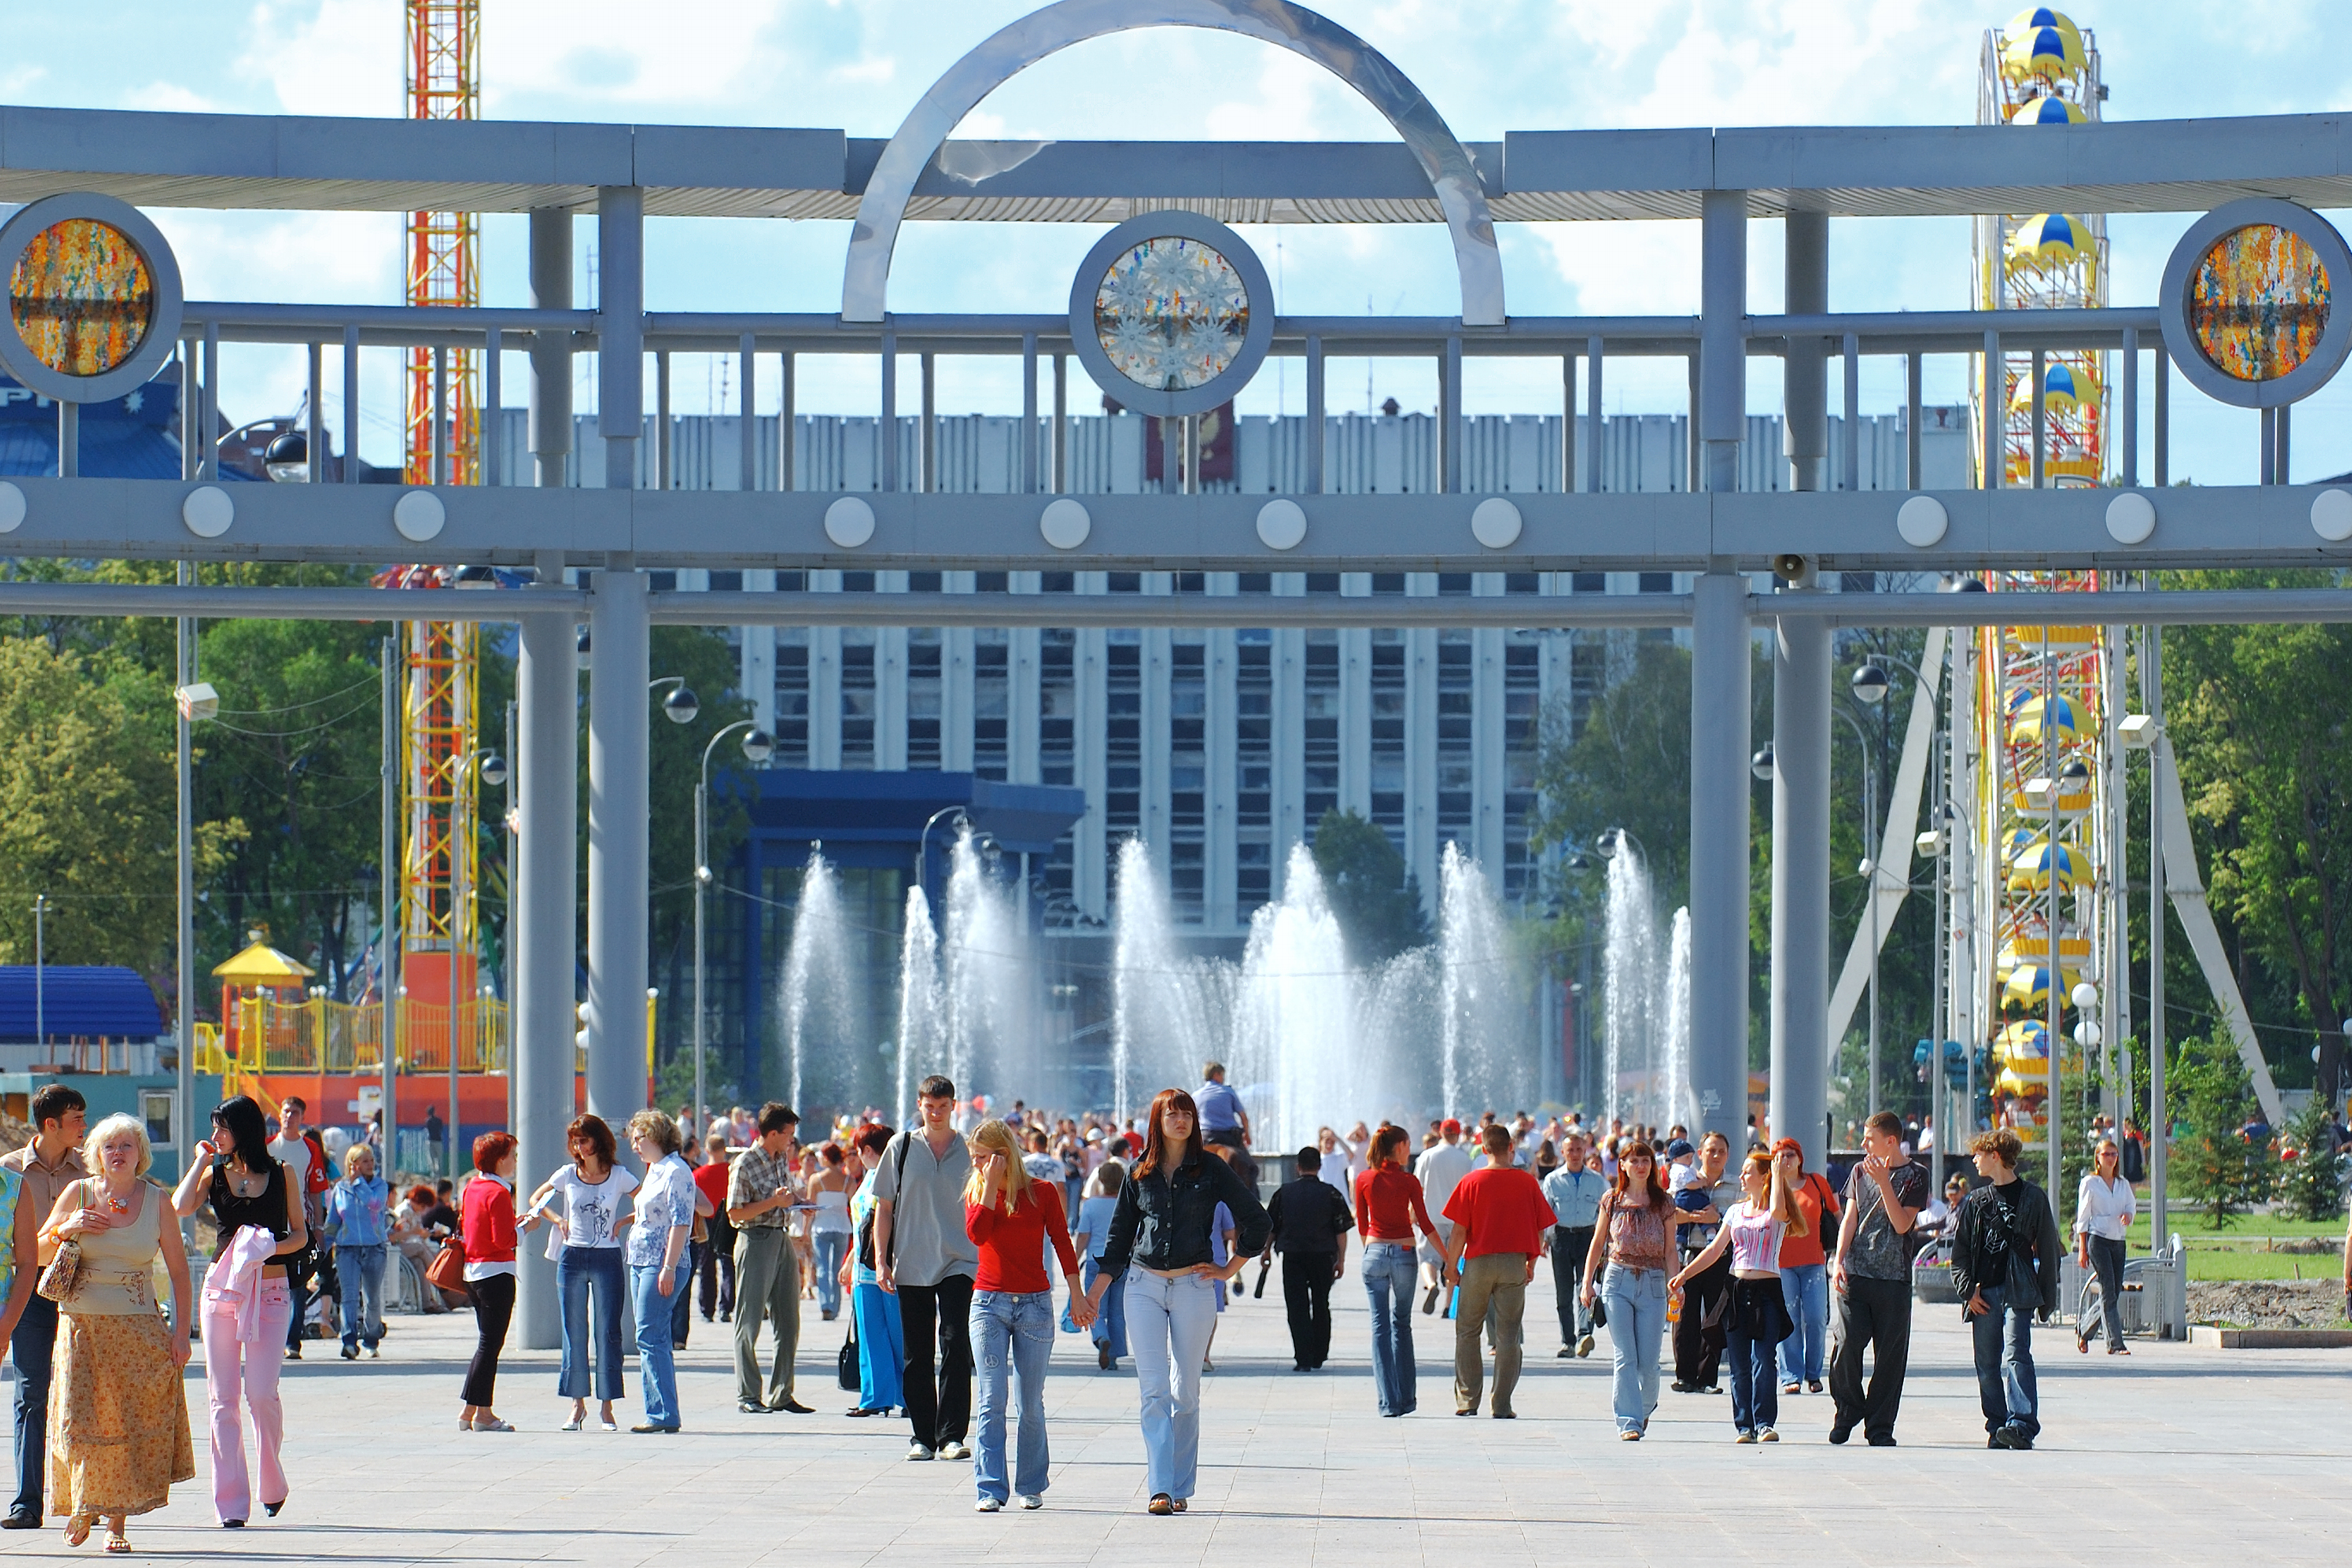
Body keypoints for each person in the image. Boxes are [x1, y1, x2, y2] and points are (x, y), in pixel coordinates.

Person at [1085, 1089, 1266, 1516]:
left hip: (1193, 1287)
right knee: (1153, 1391)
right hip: (1143, 1286)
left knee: (1186, 1391)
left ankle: (1181, 1484)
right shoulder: (1138, 1172)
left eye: (1186, 1114)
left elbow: (1257, 1220)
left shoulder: (1212, 1169)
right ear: (1158, 1120)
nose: (1180, 1121)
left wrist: (1228, 1270)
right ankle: (1161, 1487)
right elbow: (1117, 1241)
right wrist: (1093, 1295)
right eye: (1172, 1114)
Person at [38, 1114, 194, 1551]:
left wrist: (181, 1336)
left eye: (127, 1146)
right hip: (80, 1328)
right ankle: (84, 1504)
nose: (119, 1154)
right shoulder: (78, 1193)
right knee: (77, 1420)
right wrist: (67, 1229)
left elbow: (181, 1275)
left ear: (140, 1153)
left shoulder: (157, 1201)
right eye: (110, 1147)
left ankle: (117, 1525)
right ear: (97, 1155)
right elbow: (36, 1246)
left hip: (138, 1331)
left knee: (126, 1423)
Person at [170, 1095, 303, 1523]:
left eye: (222, 1129)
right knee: (221, 1398)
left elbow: (302, 1235)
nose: (215, 1136)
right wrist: (199, 1162)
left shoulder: (284, 1174)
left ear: (242, 1130)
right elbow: (180, 1206)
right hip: (221, 1290)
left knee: (261, 1394)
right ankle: (230, 1504)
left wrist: (266, 1249)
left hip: (270, 1288)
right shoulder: (215, 1174)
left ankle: (272, 1481)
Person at [962, 1119, 1092, 1512]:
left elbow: (1062, 1243)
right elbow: (977, 1235)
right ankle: (989, 1488)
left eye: (982, 1158)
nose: (977, 1165)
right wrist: (987, 1188)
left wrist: (1077, 1295)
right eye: (974, 1159)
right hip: (988, 1304)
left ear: (1004, 1154)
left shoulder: (1042, 1192)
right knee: (991, 1399)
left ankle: (1031, 1484)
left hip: (1035, 1304)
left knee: (1030, 1403)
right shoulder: (975, 1191)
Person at [875, 1076, 982, 1462]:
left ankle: (952, 1434)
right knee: (916, 1353)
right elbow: (884, 1208)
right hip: (912, 1260)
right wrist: (882, 1260)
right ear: (919, 1105)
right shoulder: (900, 1147)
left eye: (943, 1106)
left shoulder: (971, 1150)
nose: (935, 1113)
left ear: (954, 1106)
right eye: (929, 1106)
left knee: (956, 1345)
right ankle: (922, 1435)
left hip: (961, 1260)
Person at [1673, 1149, 1806, 1443]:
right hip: (1736, 1288)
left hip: (1768, 1291)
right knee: (1739, 1363)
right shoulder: (1735, 1211)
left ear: (1764, 1177)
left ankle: (1765, 1423)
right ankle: (1744, 1425)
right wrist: (1685, 1275)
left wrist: (1779, 1175)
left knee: (1764, 1359)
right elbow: (1714, 1250)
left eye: (1748, 1171)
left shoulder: (1776, 1210)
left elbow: (1779, 1212)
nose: (1742, 1176)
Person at [2, 1084, 86, 1530]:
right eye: (77, 1118)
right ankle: (26, 1502)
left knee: (84, 1393)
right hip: (30, 1291)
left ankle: (88, 1499)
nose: (85, 1127)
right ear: (51, 1124)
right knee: (32, 1392)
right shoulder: (8, 1174)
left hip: (83, 1289)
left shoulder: (91, 1172)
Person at [521, 1114, 636, 1433]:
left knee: (608, 1331)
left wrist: (622, 1222)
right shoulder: (567, 1174)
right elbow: (535, 1198)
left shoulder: (620, 1175)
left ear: (598, 1140)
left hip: (607, 1256)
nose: (578, 1146)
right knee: (574, 1330)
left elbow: (647, 1203)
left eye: (583, 1140)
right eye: (575, 1141)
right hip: (572, 1255)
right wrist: (557, 1219)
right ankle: (577, 1405)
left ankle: (607, 1406)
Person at [1952, 1128, 2061, 1450]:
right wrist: (1967, 1290)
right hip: (1983, 1293)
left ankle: (2022, 1425)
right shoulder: (1976, 1201)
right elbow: (1960, 1253)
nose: (1974, 1159)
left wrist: (2047, 1299)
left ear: (1995, 1156)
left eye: (1979, 1154)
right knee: (1986, 1363)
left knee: (2017, 1355)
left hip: (2019, 1291)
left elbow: (2049, 1251)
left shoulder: (2034, 1198)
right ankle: (1997, 1426)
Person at [1440, 1124, 1556, 1420]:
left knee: (1468, 1330)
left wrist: (1452, 1268)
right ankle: (1502, 1404)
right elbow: (1542, 1227)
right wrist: (1531, 1263)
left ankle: (1468, 1400)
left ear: (1484, 1149)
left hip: (1478, 1262)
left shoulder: (1472, 1181)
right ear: (1511, 1149)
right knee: (1508, 1335)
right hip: (1513, 1263)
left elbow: (1459, 1232)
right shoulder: (1528, 1183)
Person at [1828, 1109, 1930, 1446]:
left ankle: (1880, 1426)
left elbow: (1903, 1225)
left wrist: (1886, 1183)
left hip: (1894, 1278)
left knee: (1890, 1357)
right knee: (1846, 1344)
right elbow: (1850, 1218)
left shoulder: (1916, 1175)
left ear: (1890, 1141)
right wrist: (1839, 1259)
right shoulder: (1859, 1171)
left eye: (1869, 1139)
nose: (1863, 1144)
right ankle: (1848, 1410)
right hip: (1857, 1272)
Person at [1581, 1140, 1676, 1440]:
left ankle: (1644, 1408)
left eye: (1645, 1160)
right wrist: (1587, 1283)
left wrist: (1676, 1283)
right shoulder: (1612, 1200)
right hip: (1617, 1280)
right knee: (1625, 1356)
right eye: (1633, 1160)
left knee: (1649, 1364)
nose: (1640, 1166)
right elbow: (1598, 1243)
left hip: (1654, 1282)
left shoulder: (1664, 1203)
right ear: (1622, 1164)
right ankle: (1629, 1422)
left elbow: (1671, 1249)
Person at [725, 1102, 813, 1417]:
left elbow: (781, 1197)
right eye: (788, 1134)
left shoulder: (781, 1157)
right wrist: (774, 1201)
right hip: (755, 1239)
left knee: (789, 1320)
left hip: (780, 1236)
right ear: (772, 1133)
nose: (792, 1140)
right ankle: (748, 1394)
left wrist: (797, 1202)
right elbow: (735, 1214)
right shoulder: (744, 1164)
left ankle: (781, 1393)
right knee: (748, 1321)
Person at [1352, 1123, 1443, 1416]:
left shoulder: (1364, 1178)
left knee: (1379, 1328)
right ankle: (1407, 1399)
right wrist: (1448, 1260)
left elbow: (1363, 1225)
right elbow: (1426, 1225)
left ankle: (1387, 1403)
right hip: (1404, 1253)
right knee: (1401, 1325)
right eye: (1408, 1145)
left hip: (1375, 1253)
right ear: (1400, 1147)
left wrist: (1374, 1248)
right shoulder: (1409, 1182)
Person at [624, 1110, 696, 1434]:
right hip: (642, 1260)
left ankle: (662, 1413)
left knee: (649, 1334)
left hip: (661, 1262)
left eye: (638, 1139)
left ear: (655, 1136)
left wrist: (669, 1265)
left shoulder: (676, 1171)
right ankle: (661, 1409)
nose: (635, 1146)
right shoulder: (655, 1170)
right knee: (654, 1335)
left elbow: (681, 1221)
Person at [456, 1133, 522, 1432]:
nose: (515, 1161)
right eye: (512, 1155)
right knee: (490, 1345)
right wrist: (526, 1229)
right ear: (500, 1160)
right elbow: (503, 1239)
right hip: (496, 1273)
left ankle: (479, 1410)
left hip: (474, 1272)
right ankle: (475, 1410)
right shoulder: (499, 1192)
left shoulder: (472, 1187)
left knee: (487, 1343)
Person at [1266, 1146, 1352, 1372]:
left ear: (1298, 1168)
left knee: (1297, 1306)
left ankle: (1302, 1357)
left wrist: (1266, 1251)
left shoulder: (1284, 1192)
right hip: (1323, 1256)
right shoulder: (1331, 1193)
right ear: (1319, 1166)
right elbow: (1341, 1231)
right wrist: (1341, 1259)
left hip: (1292, 1255)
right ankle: (1319, 1355)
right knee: (1322, 1303)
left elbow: (1272, 1226)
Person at [843, 1125, 905, 1416]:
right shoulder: (868, 1178)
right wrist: (849, 1261)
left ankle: (908, 1396)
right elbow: (863, 1229)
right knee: (870, 1335)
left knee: (899, 1335)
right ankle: (874, 1397)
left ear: (868, 1151)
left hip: (891, 1269)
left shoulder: (894, 1176)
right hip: (863, 1271)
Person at [1771, 1137, 1838, 1396]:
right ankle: (1790, 1374)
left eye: (1790, 1155)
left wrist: (1843, 1250)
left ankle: (1813, 1372)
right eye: (1779, 1155)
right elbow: (1774, 1214)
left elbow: (1835, 1212)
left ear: (1800, 1158)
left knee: (1816, 1317)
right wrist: (1777, 1179)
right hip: (1781, 1264)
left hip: (1814, 1261)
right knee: (1789, 1319)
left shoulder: (1816, 1182)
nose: (1785, 1160)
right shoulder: (1772, 1186)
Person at [267, 1096, 329, 1362]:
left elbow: (316, 1190)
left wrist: (318, 1228)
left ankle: (293, 1341)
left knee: (298, 1285)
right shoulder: (268, 1147)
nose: (289, 1116)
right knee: (269, 1284)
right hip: (270, 1225)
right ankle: (270, 1339)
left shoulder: (310, 1148)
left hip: (300, 1224)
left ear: (302, 1117)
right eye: (285, 1111)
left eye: (294, 1112)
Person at [323, 1142, 390, 1361]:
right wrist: (322, 1248)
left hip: (374, 1248)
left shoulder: (379, 1186)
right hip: (347, 1249)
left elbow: (375, 1204)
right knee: (349, 1297)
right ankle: (349, 1341)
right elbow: (333, 1221)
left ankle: (371, 1338)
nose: (371, 1165)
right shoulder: (340, 1189)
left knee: (372, 1299)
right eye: (365, 1161)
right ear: (353, 1164)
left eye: (372, 1160)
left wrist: (359, 1183)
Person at [1541, 1131, 1603, 1359]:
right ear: (1563, 1152)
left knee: (1585, 1287)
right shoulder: (1553, 1180)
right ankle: (1568, 1340)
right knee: (1564, 1292)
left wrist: (1606, 1244)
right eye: (1570, 1150)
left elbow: (1606, 1213)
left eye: (1579, 1150)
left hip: (1588, 1237)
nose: (1575, 1154)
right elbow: (1545, 1212)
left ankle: (1585, 1335)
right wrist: (1543, 1240)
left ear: (1585, 1151)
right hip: (1561, 1237)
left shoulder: (1597, 1181)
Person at [2074, 1137, 2136, 1356]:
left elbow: (2131, 1205)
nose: (2111, 1158)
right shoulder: (2090, 1183)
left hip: (2118, 1241)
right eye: (2106, 1154)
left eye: (2114, 1154)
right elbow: (2083, 1217)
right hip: (2098, 1239)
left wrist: (2128, 1215)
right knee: (2108, 1289)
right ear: (2098, 1159)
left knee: (2113, 1292)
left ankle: (2084, 1328)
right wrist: (2082, 1248)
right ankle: (2115, 1343)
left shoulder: (2122, 1184)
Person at [1071, 1159, 1129, 1372]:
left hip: (1096, 1262)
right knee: (1117, 1312)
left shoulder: (1091, 1205)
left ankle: (1101, 1337)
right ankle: (1114, 1355)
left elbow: (1083, 1236)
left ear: (1101, 1180)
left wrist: (1075, 1260)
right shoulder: (1127, 1204)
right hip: (1123, 1263)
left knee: (1095, 1308)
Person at [1413, 1119, 1473, 1315]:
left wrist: (1412, 1212)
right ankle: (1448, 1306)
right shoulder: (1464, 1159)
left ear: (1440, 1133)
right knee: (1452, 1262)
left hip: (1431, 1215)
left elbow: (1417, 1187)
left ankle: (1431, 1285)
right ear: (1458, 1134)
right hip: (1456, 1218)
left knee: (1428, 1258)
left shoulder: (1427, 1156)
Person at [808, 1142, 856, 1323]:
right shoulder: (848, 1181)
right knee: (837, 1268)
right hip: (842, 1226)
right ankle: (835, 1307)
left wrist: (805, 1229)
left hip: (821, 1226)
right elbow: (854, 1206)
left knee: (822, 1267)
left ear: (826, 1158)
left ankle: (825, 1305)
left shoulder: (816, 1180)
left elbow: (811, 1207)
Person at [693, 1130, 736, 1323]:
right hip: (727, 1219)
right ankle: (726, 1307)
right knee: (728, 1265)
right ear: (724, 1150)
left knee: (707, 1267)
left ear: (707, 1150)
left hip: (706, 1221)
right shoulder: (732, 1172)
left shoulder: (698, 1175)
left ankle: (706, 1309)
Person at [1194, 1061, 1249, 1154]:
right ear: (1216, 1075)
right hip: (1229, 1137)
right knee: (1250, 1167)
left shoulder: (1196, 1095)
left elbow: (1193, 1119)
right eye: (1222, 1075)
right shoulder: (1228, 1092)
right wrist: (1247, 1135)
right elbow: (1243, 1117)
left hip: (1206, 1136)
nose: (1223, 1078)